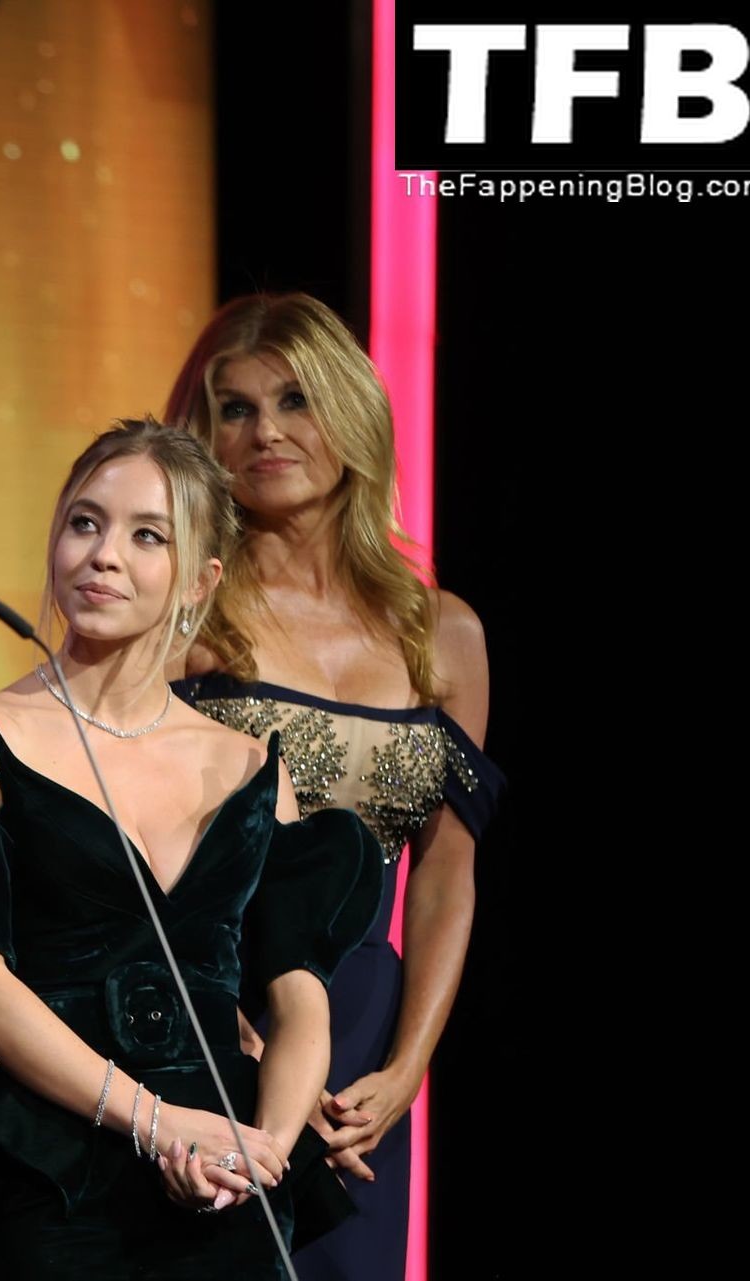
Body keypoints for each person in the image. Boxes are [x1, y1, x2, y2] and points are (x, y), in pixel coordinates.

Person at [0, 418, 380, 1277]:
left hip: (229, 1179)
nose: (103, 555)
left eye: (147, 536)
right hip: (58, 1171)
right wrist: (158, 1123)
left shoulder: (250, 765)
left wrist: (265, 1150)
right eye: (85, 523)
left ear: (200, 579)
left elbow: (297, 1003)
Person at [165, 292, 503, 1280]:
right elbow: (115, 837)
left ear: (351, 412)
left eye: (296, 400)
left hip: (364, 1033)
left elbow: (446, 873)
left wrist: (405, 1070)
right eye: (235, 409)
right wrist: (233, 1036)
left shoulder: (442, 634)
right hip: (209, 1010)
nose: (266, 432)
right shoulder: (182, 616)